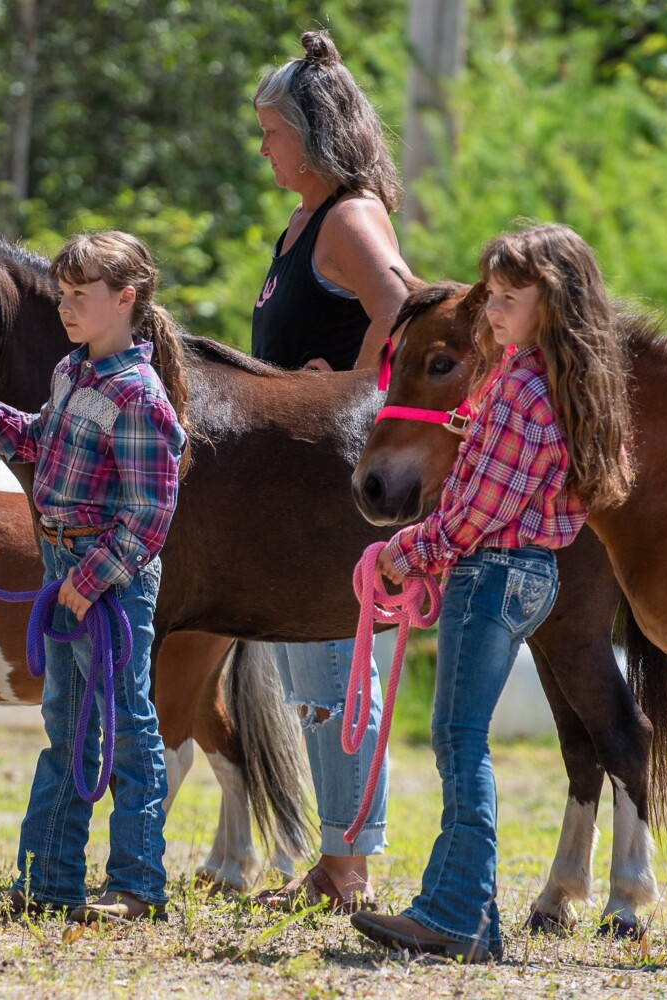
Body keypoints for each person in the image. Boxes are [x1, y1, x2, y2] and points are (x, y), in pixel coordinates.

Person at [352, 223, 633, 960]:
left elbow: (481, 511)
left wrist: (407, 551)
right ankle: (462, 911)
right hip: (531, 571)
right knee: (460, 738)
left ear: (553, 304)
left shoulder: (518, 391)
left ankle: (457, 913)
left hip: (494, 572)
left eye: (509, 298)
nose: (492, 311)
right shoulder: (562, 385)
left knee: (458, 739)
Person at [0, 230, 189, 923]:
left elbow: (149, 514)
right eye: (64, 294)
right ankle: (51, 878)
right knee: (66, 724)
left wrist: (93, 576)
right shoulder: (72, 373)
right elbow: (41, 437)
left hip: (110, 585)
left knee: (127, 727)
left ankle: (137, 886)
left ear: (126, 299)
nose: (66, 307)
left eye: (80, 296)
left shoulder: (140, 397)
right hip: (63, 567)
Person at [250, 29, 414, 911]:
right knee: (305, 677)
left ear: (312, 133)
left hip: (338, 492)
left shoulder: (350, 216)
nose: (264, 146)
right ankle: (335, 854)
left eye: (272, 131)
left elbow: (412, 311)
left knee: (333, 674)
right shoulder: (302, 220)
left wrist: (355, 387)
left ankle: (349, 865)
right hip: (298, 490)